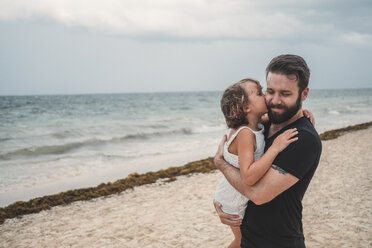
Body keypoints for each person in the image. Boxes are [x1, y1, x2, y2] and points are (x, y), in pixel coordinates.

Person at [213, 54, 322, 248]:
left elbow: (258, 194)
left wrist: (220, 163)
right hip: (248, 238)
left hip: (278, 242)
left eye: (285, 94)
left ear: (304, 94)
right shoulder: (264, 124)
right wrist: (224, 203)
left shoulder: (303, 138)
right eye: (270, 91)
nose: (275, 101)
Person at [214, 78, 299, 248]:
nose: (267, 96)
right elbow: (249, 176)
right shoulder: (245, 134)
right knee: (241, 242)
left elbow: (280, 118)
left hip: (232, 192)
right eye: (260, 93)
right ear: (246, 107)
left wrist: (302, 113)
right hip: (233, 201)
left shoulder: (256, 124)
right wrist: (275, 148)